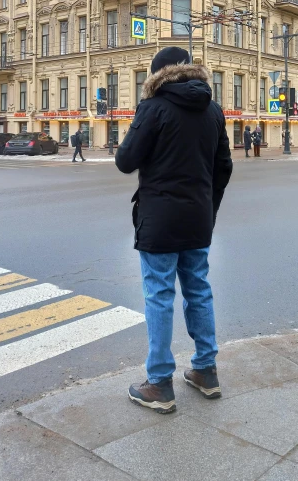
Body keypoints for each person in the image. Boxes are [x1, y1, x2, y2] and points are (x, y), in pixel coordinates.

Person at [115, 47, 233, 414]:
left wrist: (142, 119)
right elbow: (224, 167)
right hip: (198, 218)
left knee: (159, 294)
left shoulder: (153, 107)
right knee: (199, 289)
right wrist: (208, 210)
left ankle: (160, 384)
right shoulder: (213, 109)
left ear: (157, 75)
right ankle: (205, 372)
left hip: (160, 221)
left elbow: (125, 160)